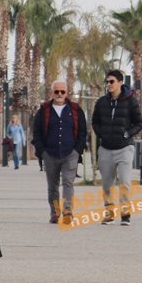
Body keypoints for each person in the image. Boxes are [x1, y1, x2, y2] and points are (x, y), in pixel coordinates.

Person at [31, 79, 88, 224]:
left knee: (68, 182)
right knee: (53, 185)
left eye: (62, 91)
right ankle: (55, 212)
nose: (59, 94)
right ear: (52, 92)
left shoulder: (75, 110)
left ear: (67, 93)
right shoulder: (44, 110)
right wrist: (42, 151)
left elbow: (83, 131)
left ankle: (68, 210)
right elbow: (36, 133)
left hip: (70, 153)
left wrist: (77, 150)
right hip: (50, 154)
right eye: (57, 91)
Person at [91, 70, 142, 225]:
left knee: (125, 182)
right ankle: (109, 212)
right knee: (107, 184)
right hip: (106, 149)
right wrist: (102, 135)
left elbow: (139, 124)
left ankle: (125, 214)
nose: (108, 85)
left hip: (124, 148)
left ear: (120, 83)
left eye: (111, 81)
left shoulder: (131, 101)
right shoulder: (101, 102)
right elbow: (95, 122)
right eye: (107, 82)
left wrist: (127, 134)